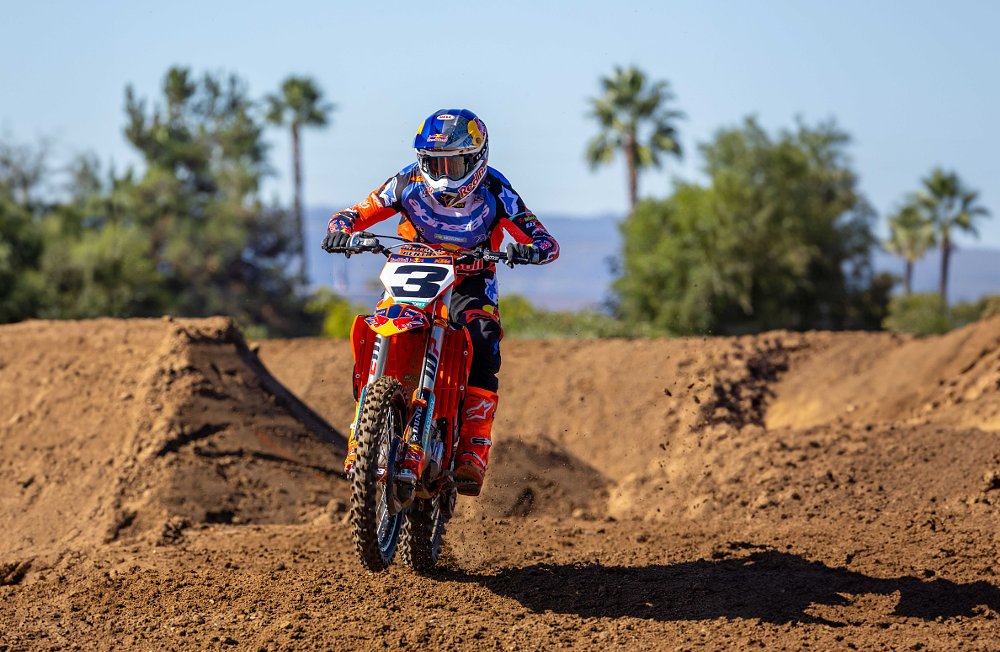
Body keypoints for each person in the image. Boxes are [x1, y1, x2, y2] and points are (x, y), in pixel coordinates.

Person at [322, 108, 559, 496]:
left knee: (483, 338)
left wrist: (530, 250)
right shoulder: (406, 182)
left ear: (477, 159)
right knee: (378, 326)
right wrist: (341, 231)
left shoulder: (497, 191)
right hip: (412, 270)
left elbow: (543, 238)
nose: (444, 174)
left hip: (472, 277)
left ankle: (473, 448)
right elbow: (355, 212)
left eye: (454, 162)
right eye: (435, 163)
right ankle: (368, 422)